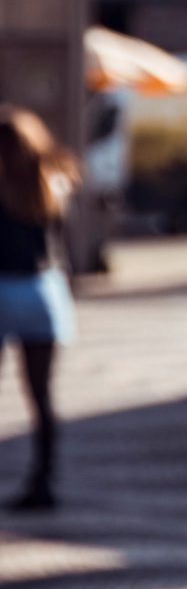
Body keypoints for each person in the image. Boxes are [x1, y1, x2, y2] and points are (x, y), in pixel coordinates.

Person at [0, 106, 80, 513]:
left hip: (3, 286)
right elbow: (66, 244)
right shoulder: (52, 181)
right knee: (41, 396)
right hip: (42, 290)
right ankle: (44, 481)